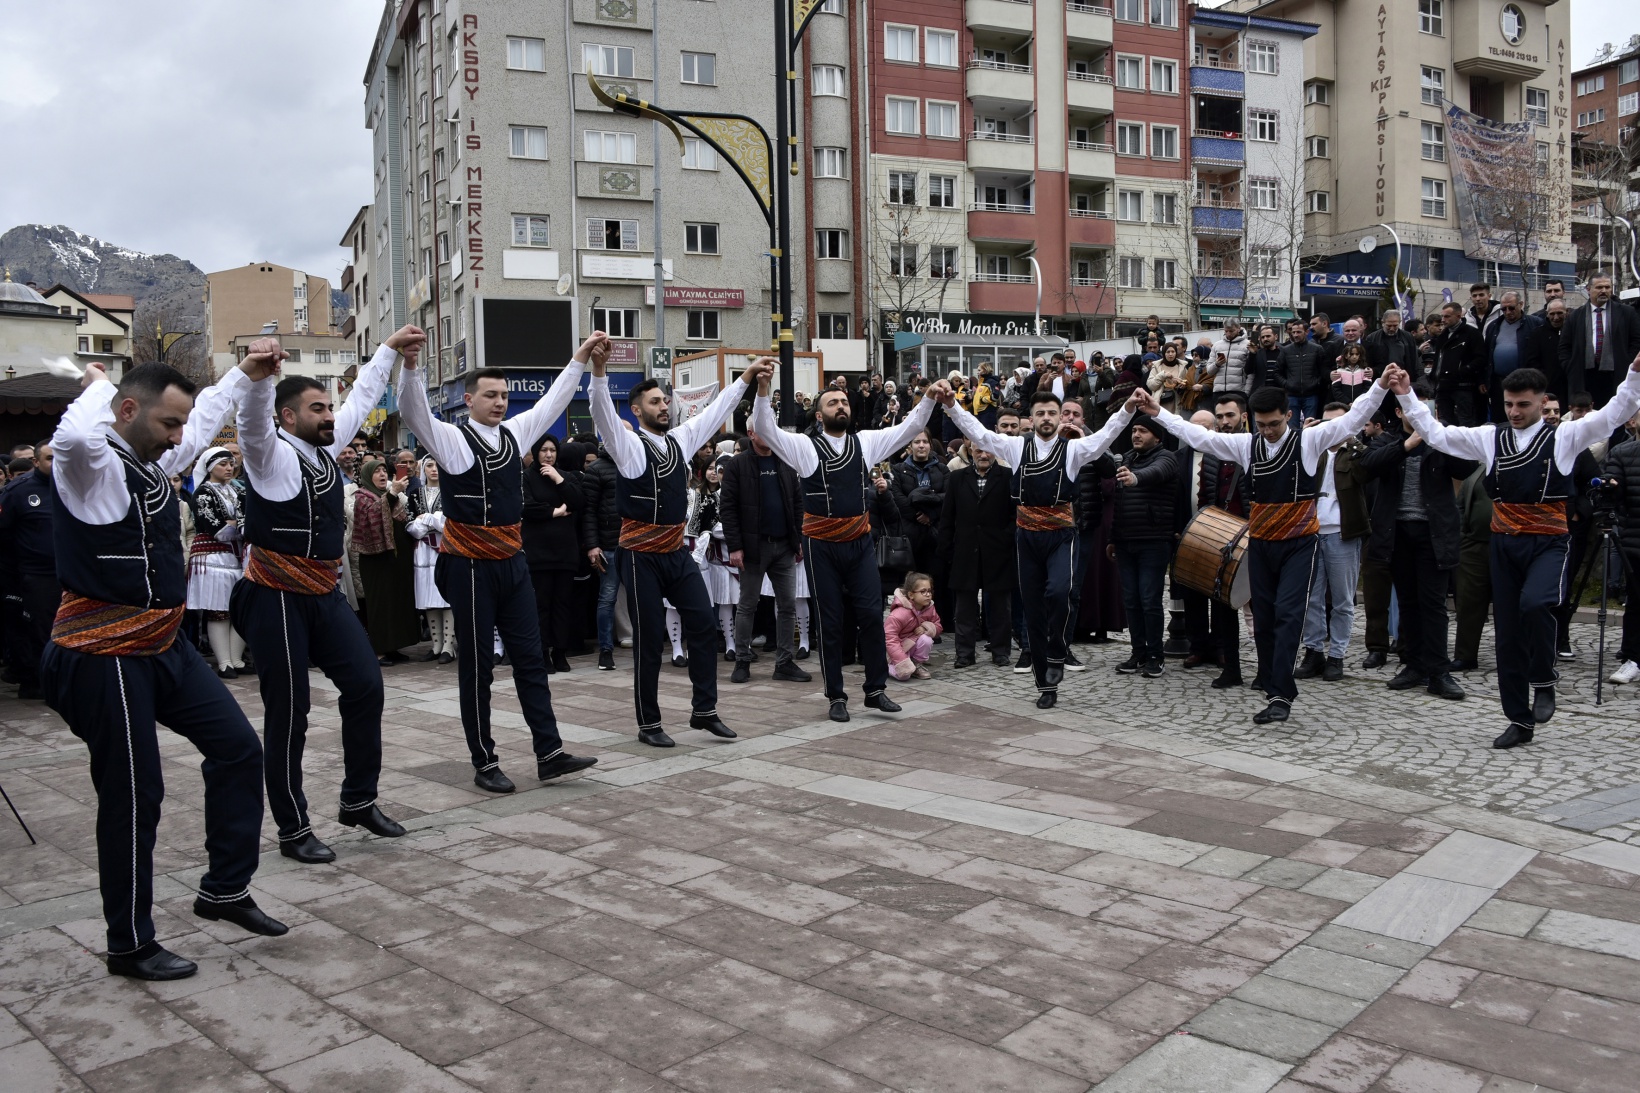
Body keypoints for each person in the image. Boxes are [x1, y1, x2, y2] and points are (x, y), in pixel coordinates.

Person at [45, 357, 286, 982]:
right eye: (166, 423)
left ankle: (225, 889)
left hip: (160, 644)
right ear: (126, 413)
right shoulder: (87, 465)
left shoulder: (152, 464)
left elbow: (201, 421)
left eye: (180, 425)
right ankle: (129, 943)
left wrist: (243, 374)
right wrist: (98, 384)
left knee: (237, 750)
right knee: (133, 796)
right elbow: (73, 434)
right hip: (102, 653)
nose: (180, 437)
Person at [1386, 354, 1640, 747]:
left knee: (1537, 605)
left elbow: (1612, 415)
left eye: (1523, 404)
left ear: (1542, 402)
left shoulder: (1564, 437)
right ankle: (1519, 721)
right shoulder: (1491, 437)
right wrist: (1406, 396)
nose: (1515, 411)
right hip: (1503, 543)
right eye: (1509, 404)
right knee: (1506, 635)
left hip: (1549, 542)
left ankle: (1544, 677)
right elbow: (1438, 435)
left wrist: (1635, 374)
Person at [232, 331, 416, 863]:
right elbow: (250, 424)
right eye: (317, 408)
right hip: (274, 594)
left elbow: (360, 402)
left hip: (322, 590)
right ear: (289, 417)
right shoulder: (268, 456)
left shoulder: (322, 451)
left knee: (365, 685)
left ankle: (358, 800)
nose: (330, 415)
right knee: (289, 712)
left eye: (328, 406)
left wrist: (388, 349)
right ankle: (292, 829)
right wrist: (261, 380)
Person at [397, 335, 603, 786]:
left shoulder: (514, 433)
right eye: (491, 395)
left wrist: (580, 357)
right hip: (468, 563)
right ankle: (484, 762)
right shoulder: (452, 439)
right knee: (478, 666)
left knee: (531, 658)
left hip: (512, 561)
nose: (500, 402)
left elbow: (552, 403)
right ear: (468, 399)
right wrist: (410, 367)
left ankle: (549, 752)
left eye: (505, 395)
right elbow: (413, 413)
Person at [1134, 372, 1394, 723]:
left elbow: (1354, 418)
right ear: (1251, 421)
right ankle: (1274, 688)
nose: (1268, 430)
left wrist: (1380, 386)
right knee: (1265, 620)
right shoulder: (1246, 445)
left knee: (1288, 616)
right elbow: (1199, 436)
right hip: (1262, 544)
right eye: (1261, 425)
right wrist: (1158, 412)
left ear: (1288, 416)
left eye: (1273, 423)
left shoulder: (1309, 441)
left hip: (1300, 545)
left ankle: (1281, 695)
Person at [591, 351, 766, 745]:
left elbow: (713, 410)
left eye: (665, 400)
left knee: (703, 626)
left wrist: (747, 379)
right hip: (639, 555)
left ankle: (704, 710)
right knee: (649, 639)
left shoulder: (679, 441)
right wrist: (599, 372)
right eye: (654, 401)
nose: (664, 405)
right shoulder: (628, 446)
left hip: (675, 551)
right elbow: (602, 413)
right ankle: (649, 723)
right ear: (637, 410)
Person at [750, 363, 933, 722]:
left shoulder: (865, 442)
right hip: (821, 545)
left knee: (870, 614)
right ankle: (836, 695)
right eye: (833, 402)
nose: (841, 406)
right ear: (819, 414)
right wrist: (761, 391)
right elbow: (764, 429)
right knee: (830, 622)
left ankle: (876, 690)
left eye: (844, 401)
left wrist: (929, 398)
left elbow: (910, 427)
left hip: (859, 542)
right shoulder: (805, 447)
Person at [936, 385, 1138, 708]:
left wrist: (1127, 408)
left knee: (1059, 593)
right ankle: (1045, 684)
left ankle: (1058, 652)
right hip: (1026, 536)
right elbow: (979, 432)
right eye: (1040, 413)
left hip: (1061, 534)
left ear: (1061, 419)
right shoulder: (1016, 447)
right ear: (1031, 417)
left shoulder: (1074, 450)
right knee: (1032, 610)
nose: (1046, 418)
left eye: (1052, 414)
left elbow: (1106, 436)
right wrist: (951, 407)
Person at [1358, 382, 1475, 700]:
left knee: (1433, 605)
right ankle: (1413, 664)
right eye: (1412, 410)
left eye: (1425, 410)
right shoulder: (1389, 440)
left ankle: (1439, 671)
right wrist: (1406, 445)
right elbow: (1366, 466)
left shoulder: (1441, 438)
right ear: (1399, 412)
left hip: (1432, 533)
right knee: (1408, 602)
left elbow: (1467, 467)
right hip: (1397, 533)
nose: (1418, 415)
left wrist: (1440, 437)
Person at [720, 422, 810, 684]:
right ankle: (742, 660)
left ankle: (784, 663)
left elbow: (797, 502)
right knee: (747, 605)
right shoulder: (738, 465)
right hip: (752, 548)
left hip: (784, 546)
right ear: (750, 434)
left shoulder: (784, 461)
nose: (769, 435)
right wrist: (735, 546)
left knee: (787, 606)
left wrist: (799, 538)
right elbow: (728, 509)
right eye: (762, 430)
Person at [1293, 402, 1372, 683]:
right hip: (1312, 532)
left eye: (1338, 422)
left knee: (1342, 600)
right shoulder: (1314, 451)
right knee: (1312, 598)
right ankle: (1313, 651)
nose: (1331, 428)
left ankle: (1337, 655)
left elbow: (1367, 472)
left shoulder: (1356, 454)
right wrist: (1303, 437)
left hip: (1342, 533)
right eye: (1327, 422)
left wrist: (1353, 443)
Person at [1106, 415, 1177, 676]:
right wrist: (1113, 538)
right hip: (1125, 542)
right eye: (1134, 430)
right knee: (1131, 601)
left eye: (1143, 431)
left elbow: (1154, 473)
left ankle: (1156, 656)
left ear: (1156, 436)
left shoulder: (1167, 457)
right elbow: (1119, 503)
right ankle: (1138, 652)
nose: (1136, 434)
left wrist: (1135, 478)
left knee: (1149, 600)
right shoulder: (1127, 458)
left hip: (1153, 541)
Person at [940, 442, 1016, 668]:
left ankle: (1001, 651)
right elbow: (947, 517)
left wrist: (1007, 540)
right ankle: (964, 653)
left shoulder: (1007, 476)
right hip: (965, 551)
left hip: (998, 551)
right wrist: (947, 549)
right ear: (970, 451)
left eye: (987, 450)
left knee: (1001, 607)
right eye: (978, 451)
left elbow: (1015, 515)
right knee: (964, 608)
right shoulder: (957, 478)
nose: (983, 455)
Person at [521, 434, 585, 673]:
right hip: (538, 553)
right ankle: (542, 652)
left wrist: (559, 480)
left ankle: (560, 652)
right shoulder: (526, 477)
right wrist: (554, 512)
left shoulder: (566, 476)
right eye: (544, 450)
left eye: (553, 450)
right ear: (536, 452)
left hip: (565, 552)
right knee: (541, 606)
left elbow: (578, 501)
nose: (548, 455)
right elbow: (526, 507)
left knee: (562, 605)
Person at [0, 442, 56, 699]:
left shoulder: (76, 485)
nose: (55, 464)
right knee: (39, 632)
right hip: (35, 575)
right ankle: (40, 683)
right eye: (49, 459)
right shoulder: (18, 492)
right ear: (35, 462)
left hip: (72, 573)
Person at [186, 446, 248, 677]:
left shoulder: (236, 491)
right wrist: (234, 525)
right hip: (214, 556)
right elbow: (215, 528)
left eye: (231, 464)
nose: (229, 468)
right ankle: (224, 662)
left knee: (238, 609)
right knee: (219, 610)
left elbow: (243, 521)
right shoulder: (203, 493)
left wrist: (235, 524)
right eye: (223, 464)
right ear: (210, 468)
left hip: (235, 555)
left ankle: (236, 659)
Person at [353, 459, 421, 662]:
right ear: (367, 476)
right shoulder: (363, 497)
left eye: (384, 471)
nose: (382, 475)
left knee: (396, 603)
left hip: (396, 559)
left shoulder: (386, 496)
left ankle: (393, 646)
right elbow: (373, 514)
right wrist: (392, 494)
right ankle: (379, 650)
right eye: (377, 472)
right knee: (380, 605)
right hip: (376, 561)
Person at [1560, 273, 1640, 408]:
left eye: (1607, 287)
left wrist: (1627, 362)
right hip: (1584, 376)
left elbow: (1636, 341)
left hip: (1616, 375)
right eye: (1599, 287)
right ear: (1588, 289)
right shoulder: (1575, 316)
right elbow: (1564, 347)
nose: (1604, 291)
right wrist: (1570, 367)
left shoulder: (1627, 313)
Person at [406, 456, 454, 664]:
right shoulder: (415, 493)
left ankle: (449, 646)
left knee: (446, 597)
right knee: (428, 596)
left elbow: (449, 522)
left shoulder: (451, 491)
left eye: (437, 465)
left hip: (445, 549)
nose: (434, 470)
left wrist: (428, 519)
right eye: (429, 466)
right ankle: (436, 644)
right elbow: (410, 522)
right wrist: (425, 523)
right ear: (422, 470)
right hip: (423, 551)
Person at [1605, 410, 1640, 684]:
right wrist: (1610, 486)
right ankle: (1633, 657)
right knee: (1637, 601)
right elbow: (1615, 489)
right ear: (1633, 421)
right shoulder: (1622, 452)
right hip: (1635, 541)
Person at [1451, 466, 1494, 673]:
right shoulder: (1478, 469)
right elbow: (1460, 505)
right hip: (1473, 544)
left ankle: (1512, 655)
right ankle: (1465, 656)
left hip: (1507, 544)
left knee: (1509, 604)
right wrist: (1462, 536)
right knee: (1468, 601)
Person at [1484, 292, 1544, 422]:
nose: (1507, 312)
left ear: (1521, 304)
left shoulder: (1535, 323)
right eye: (1503, 309)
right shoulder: (1494, 326)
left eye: (1511, 308)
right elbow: (1487, 354)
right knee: (1500, 418)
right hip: (1498, 382)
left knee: (1522, 416)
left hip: (1525, 382)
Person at [1430, 301, 1486, 426]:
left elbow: (1480, 359)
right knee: (1444, 422)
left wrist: (1462, 371)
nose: (1443, 320)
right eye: (1442, 316)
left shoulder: (1472, 334)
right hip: (1443, 386)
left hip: (1463, 386)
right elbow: (1438, 360)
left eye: (1447, 316)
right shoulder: (1442, 336)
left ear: (1459, 316)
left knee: (1465, 422)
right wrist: (1434, 376)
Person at [885, 571, 942, 680]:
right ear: (911, 595)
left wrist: (925, 627)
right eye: (923, 591)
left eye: (929, 591)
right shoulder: (899, 614)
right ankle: (887, 666)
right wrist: (902, 662)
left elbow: (938, 626)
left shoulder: (930, 608)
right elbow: (890, 639)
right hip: (896, 650)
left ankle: (916, 665)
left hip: (912, 643)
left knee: (926, 640)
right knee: (904, 676)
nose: (928, 594)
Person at [1278, 317, 1325, 421]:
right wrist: (1287, 384)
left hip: (1311, 394)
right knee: (1292, 426)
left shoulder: (1317, 349)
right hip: (1292, 395)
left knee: (1310, 426)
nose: (1295, 335)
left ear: (1307, 332)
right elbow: (1277, 372)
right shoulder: (1286, 350)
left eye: (1299, 332)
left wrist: (1316, 383)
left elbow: (1323, 370)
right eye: (1293, 332)